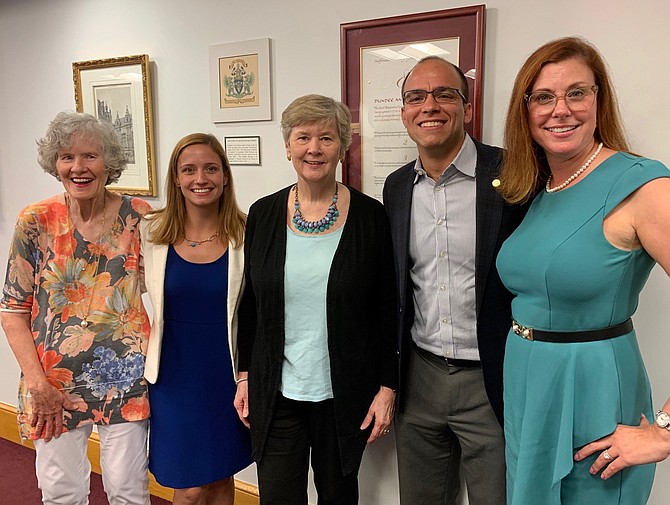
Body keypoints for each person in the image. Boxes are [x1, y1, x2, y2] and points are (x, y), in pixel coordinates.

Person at [495, 36, 670, 505]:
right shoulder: (541, 187)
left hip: (594, 391)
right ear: (525, 110)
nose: (561, 110)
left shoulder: (643, 185)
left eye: (577, 93)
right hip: (530, 386)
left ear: (599, 99)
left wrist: (665, 433)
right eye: (544, 97)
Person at [234, 94, 398, 505]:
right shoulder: (263, 214)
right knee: (278, 496)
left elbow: (386, 310)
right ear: (287, 146)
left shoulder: (371, 217)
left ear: (343, 147)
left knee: (339, 496)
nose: (314, 148)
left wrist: (387, 387)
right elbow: (250, 303)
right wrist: (245, 375)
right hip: (277, 390)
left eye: (327, 138)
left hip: (344, 393)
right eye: (303, 137)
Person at [382, 56, 528, 505]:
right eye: (416, 97)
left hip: (492, 379)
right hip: (420, 379)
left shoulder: (515, 174)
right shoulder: (397, 187)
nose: (430, 105)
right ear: (404, 111)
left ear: (466, 107)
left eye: (444, 94)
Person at [0, 111, 152, 505]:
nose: (78, 168)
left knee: (129, 493)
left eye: (90, 156)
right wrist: (37, 384)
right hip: (52, 382)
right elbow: (13, 308)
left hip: (126, 379)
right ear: (55, 163)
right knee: (61, 493)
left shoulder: (139, 217)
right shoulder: (36, 220)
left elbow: (170, 289)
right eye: (67, 157)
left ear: (109, 163)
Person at [141, 133, 252, 505]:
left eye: (210, 168)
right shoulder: (150, 233)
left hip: (227, 372)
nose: (199, 178)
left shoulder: (247, 233)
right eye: (188, 169)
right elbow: (116, 292)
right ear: (176, 178)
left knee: (221, 475)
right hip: (173, 375)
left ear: (224, 176)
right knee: (188, 486)